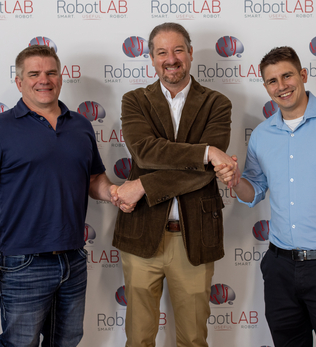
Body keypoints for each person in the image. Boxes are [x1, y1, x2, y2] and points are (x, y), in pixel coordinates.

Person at [0, 45, 133, 347]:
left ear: (61, 78)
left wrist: (113, 192)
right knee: (19, 343)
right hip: (21, 262)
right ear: (19, 82)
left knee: (67, 341)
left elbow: (93, 179)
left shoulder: (80, 125)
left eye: (51, 72)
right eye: (34, 73)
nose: (44, 79)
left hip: (73, 259)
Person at [216, 46, 316, 347]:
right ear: (266, 87)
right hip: (280, 268)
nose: (282, 86)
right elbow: (253, 192)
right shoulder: (263, 135)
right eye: (272, 81)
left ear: (303, 75)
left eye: (287, 75)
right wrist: (237, 181)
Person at [110, 23, 236, 347]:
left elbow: (206, 173)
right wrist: (206, 152)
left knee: (194, 339)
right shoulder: (134, 100)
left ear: (191, 54)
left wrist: (143, 187)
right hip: (142, 232)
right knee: (138, 339)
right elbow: (145, 151)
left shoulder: (217, 103)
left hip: (194, 237)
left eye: (178, 50)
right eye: (162, 52)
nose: (171, 58)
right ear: (151, 58)